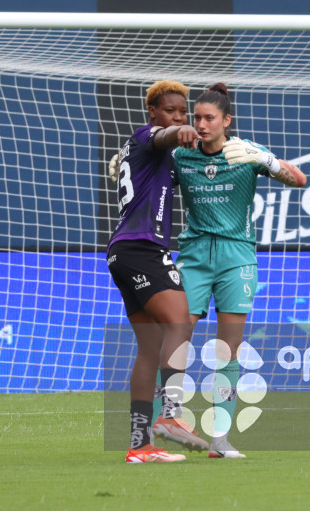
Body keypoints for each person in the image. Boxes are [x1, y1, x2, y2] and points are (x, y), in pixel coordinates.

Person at [173, 82, 306, 458]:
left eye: (208, 118)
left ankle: (219, 439)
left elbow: (299, 179)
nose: (200, 124)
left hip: (237, 258)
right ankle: (167, 421)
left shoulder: (246, 151)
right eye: (196, 117)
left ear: (226, 120)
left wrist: (263, 159)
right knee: (175, 338)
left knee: (227, 351)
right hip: (194, 255)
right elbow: (150, 174)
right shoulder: (182, 155)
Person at [107, 79, 209, 463]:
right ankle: (171, 416)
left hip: (124, 253)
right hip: (143, 248)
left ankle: (139, 446)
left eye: (184, 112)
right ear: (153, 111)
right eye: (171, 110)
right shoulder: (147, 136)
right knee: (180, 322)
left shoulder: (159, 157)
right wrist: (178, 130)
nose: (180, 117)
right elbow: (163, 135)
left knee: (150, 348)